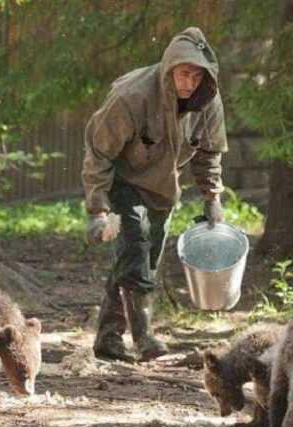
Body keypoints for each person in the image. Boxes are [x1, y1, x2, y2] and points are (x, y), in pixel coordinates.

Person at [82, 27, 227, 363]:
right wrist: (98, 210)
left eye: (197, 76)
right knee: (135, 246)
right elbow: (99, 153)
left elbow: (208, 153)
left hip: (163, 187)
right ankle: (144, 337)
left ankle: (107, 338)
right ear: (170, 69)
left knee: (142, 260)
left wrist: (212, 197)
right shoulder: (132, 97)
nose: (190, 83)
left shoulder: (208, 101)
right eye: (184, 74)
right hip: (123, 178)